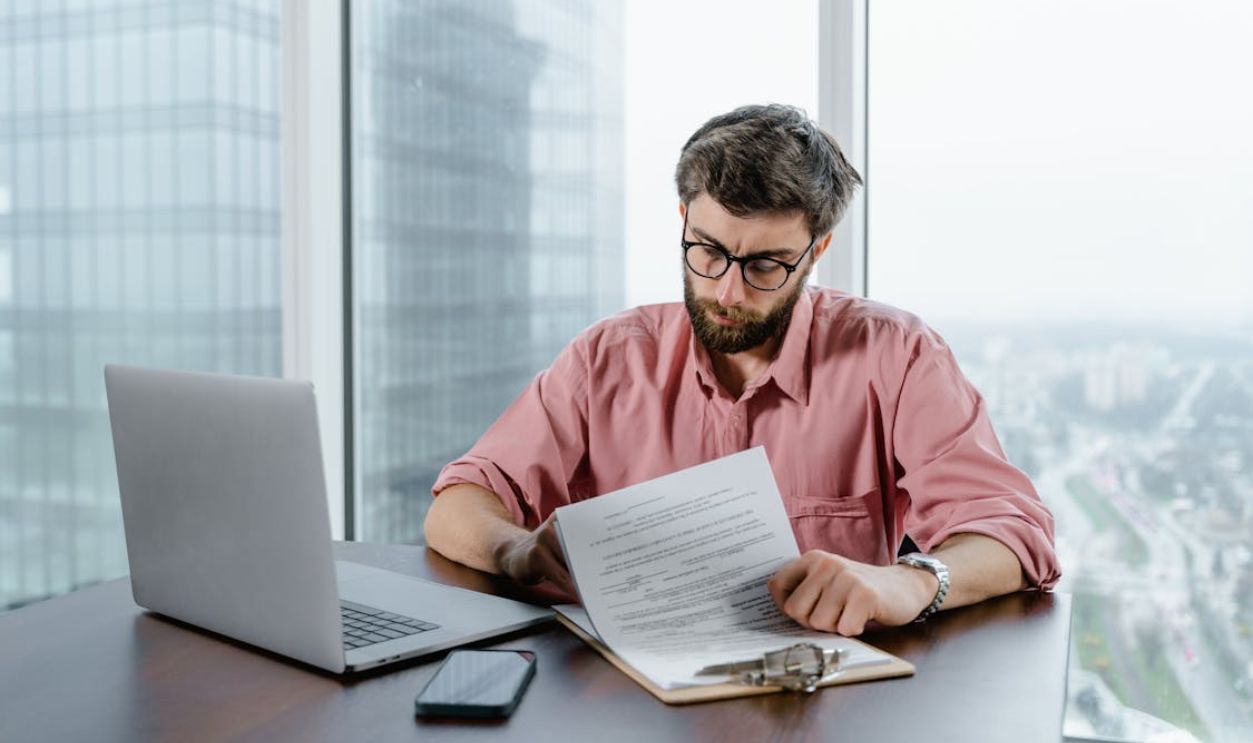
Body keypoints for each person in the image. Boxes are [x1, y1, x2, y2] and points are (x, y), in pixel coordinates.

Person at [424, 104, 1060, 637]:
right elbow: (459, 503)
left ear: (817, 252)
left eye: (765, 266)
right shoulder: (607, 359)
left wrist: (909, 580)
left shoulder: (898, 357)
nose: (727, 292)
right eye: (709, 252)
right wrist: (512, 550)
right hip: (620, 698)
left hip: (814, 698)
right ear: (684, 222)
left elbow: (1014, 532)